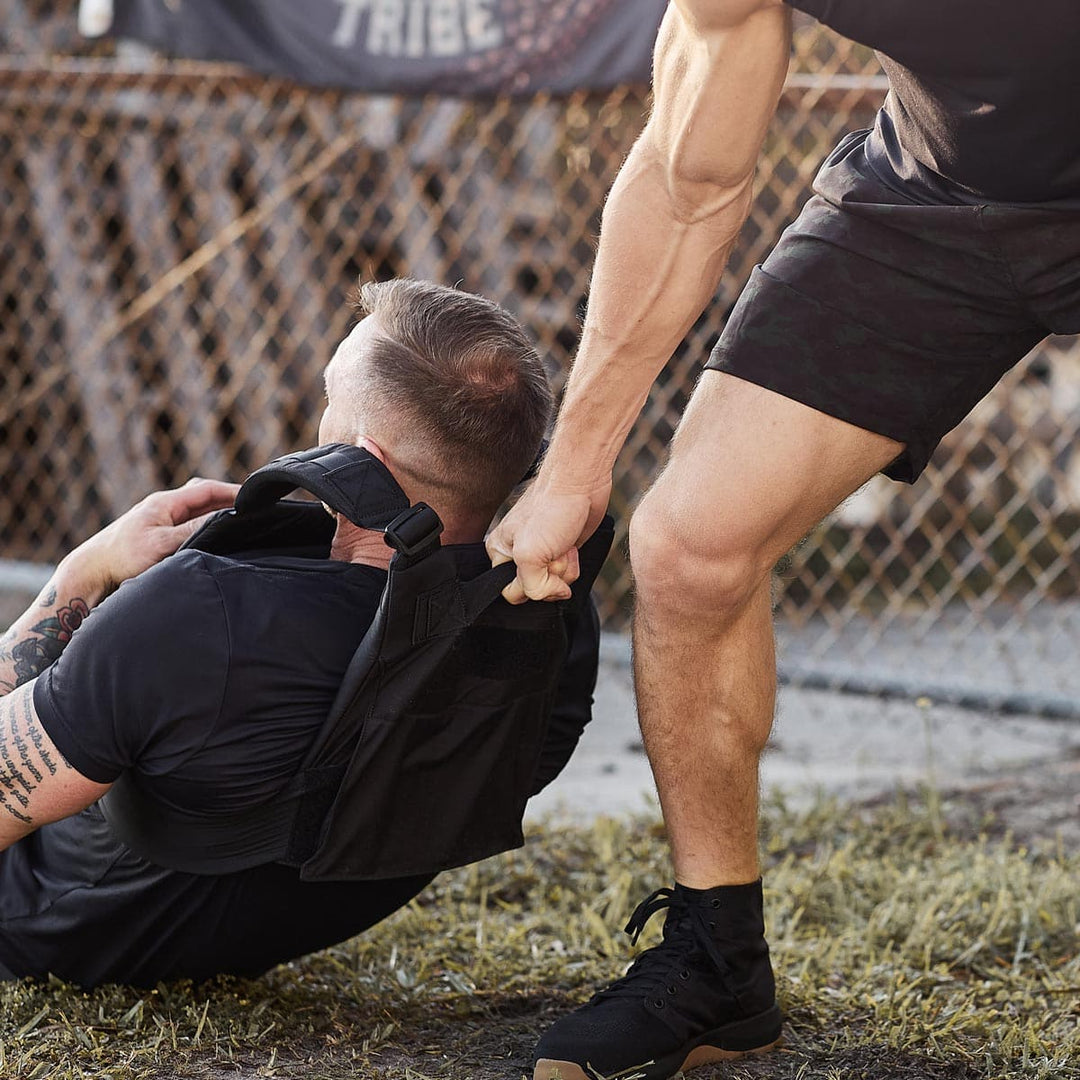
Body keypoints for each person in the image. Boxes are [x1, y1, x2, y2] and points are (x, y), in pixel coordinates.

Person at [486, 1, 1080, 1078]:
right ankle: (719, 966)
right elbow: (686, 174)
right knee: (689, 544)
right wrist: (575, 466)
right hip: (944, 190)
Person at [0, 277, 593, 986]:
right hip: (237, 932)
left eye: (328, 398)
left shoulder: (204, 616)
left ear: (362, 463)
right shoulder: (545, 629)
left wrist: (80, 575)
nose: (318, 418)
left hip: (39, 925)